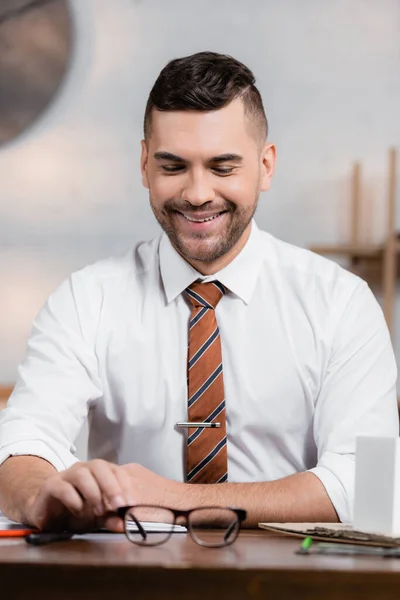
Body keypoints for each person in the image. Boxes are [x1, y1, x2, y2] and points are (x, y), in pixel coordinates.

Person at [0, 51, 398, 533]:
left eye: (222, 167)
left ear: (266, 166)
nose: (196, 193)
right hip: (130, 576)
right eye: (173, 166)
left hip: (294, 579)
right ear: (145, 165)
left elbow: (364, 485)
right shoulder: (87, 299)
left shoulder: (340, 304)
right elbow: (22, 443)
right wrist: (41, 495)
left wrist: (169, 498)